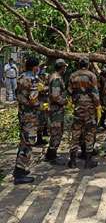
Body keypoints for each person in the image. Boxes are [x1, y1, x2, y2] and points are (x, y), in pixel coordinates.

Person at [67, 57, 101, 168]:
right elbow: (95, 94)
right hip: (90, 109)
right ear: (88, 64)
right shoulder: (91, 76)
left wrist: (76, 99)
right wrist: (98, 106)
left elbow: (69, 91)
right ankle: (88, 161)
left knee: (75, 133)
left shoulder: (73, 76)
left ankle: (72, 161)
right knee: (89, 133)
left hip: (78, 108)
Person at [13, 56, 41, 185]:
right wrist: (42, 106)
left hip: (22, 113)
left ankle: (20, 169)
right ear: (35, 67)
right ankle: (19, 173)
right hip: (30, 115)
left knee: (23, 140)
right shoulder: (32, 79)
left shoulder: (21, 77)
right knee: (28, 143)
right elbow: (33, 99)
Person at [45, 59, 68, 165]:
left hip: (56, 109)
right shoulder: (56, 79)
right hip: (56, 110)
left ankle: (50, 154)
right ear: (61, 67)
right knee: (56, 132)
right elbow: (55, 96)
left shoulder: (54, 76)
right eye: (64, 67)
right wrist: (64, 102)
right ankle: (51, 156)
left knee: (56, 131)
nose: (65, 69)